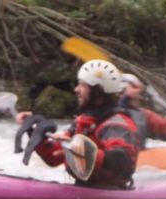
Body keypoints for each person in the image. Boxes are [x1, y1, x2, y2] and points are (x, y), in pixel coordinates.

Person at [15, 60, 140, 189]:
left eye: (82, 85)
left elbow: (123, 163)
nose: (76, 89)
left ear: (97, 91)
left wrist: (79, 148)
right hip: (86, 189)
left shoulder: (116, 124)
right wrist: (35, 132)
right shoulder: (85, 122)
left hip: (111, 192)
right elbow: (53, 157)